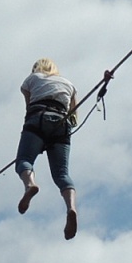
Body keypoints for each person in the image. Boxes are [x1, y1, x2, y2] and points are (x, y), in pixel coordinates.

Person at [15, 58, 80, 240]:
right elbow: (74, 116)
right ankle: (71, 208)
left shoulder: (31, 79)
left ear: (36, 68)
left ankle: (30, 185)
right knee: (62, 174)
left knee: (24, 161)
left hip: (38, 118)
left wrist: (36, 138)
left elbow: (29, 108)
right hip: (61, 123)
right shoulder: (69, 84)